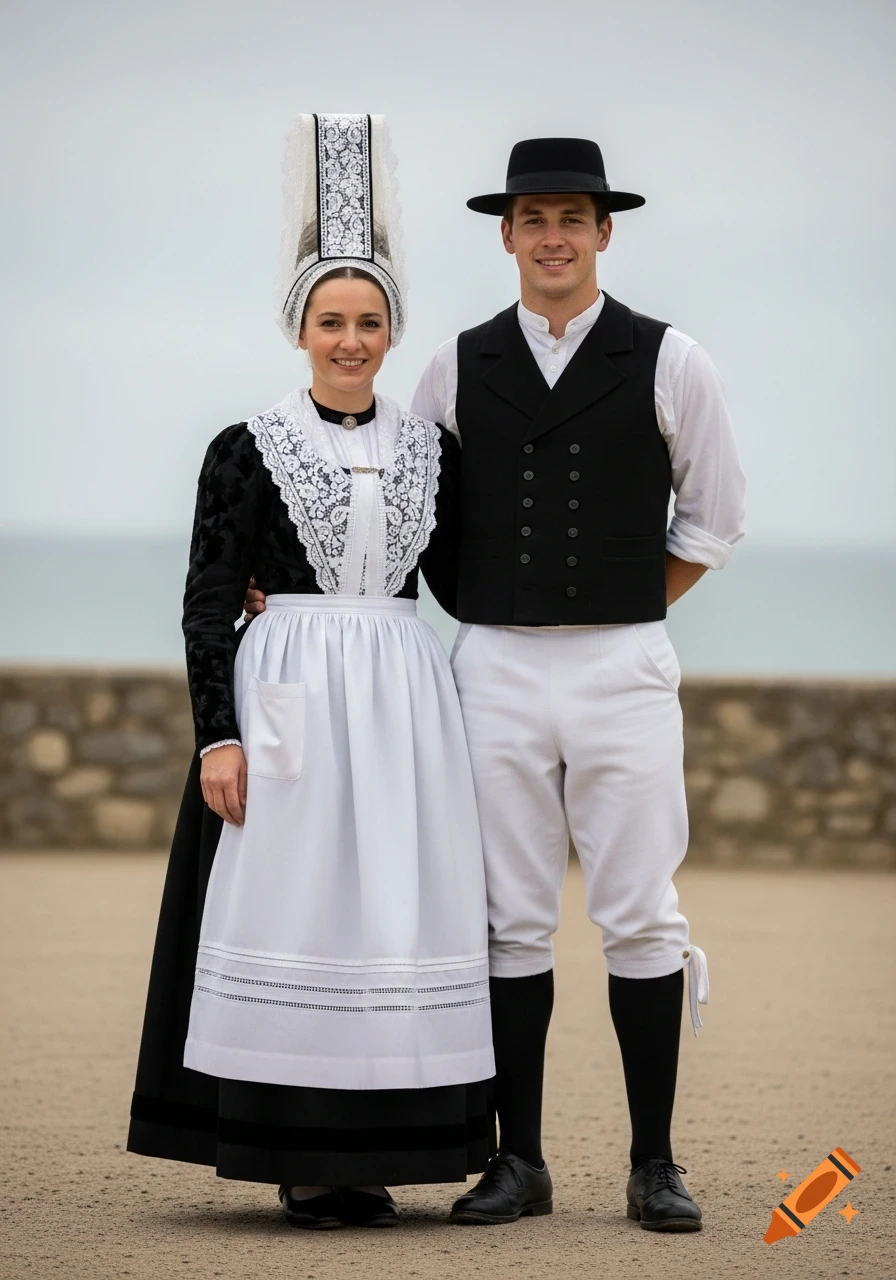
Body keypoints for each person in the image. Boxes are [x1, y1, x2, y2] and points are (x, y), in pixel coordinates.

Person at [247, 134, 747, 1233]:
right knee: (507, 921)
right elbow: (389, 496)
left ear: (603, 231)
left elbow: (713, 521)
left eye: (572, 217)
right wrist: (281, 586)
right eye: (532, 219)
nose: (553, 236)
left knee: (640, 916)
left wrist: (624, 601)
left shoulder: (671, 360)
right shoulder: (452, 364)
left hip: (623, 661)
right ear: (507, 235)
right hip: (495, 667)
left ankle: (652, 1161)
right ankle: (517, 1158)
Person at [127, 113, 495, 1231]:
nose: (350, 338)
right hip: (285, 688)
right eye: (330, 320)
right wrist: (217, 736)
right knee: (293, 906)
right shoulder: (245, 445)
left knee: (391, 909)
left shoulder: (437, 448)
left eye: (368, 320)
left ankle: (383, 1148)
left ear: (392, 330)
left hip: (400, 697)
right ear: (299, 328)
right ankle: (293, 1150)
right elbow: (204, 598)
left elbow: (468, 577)